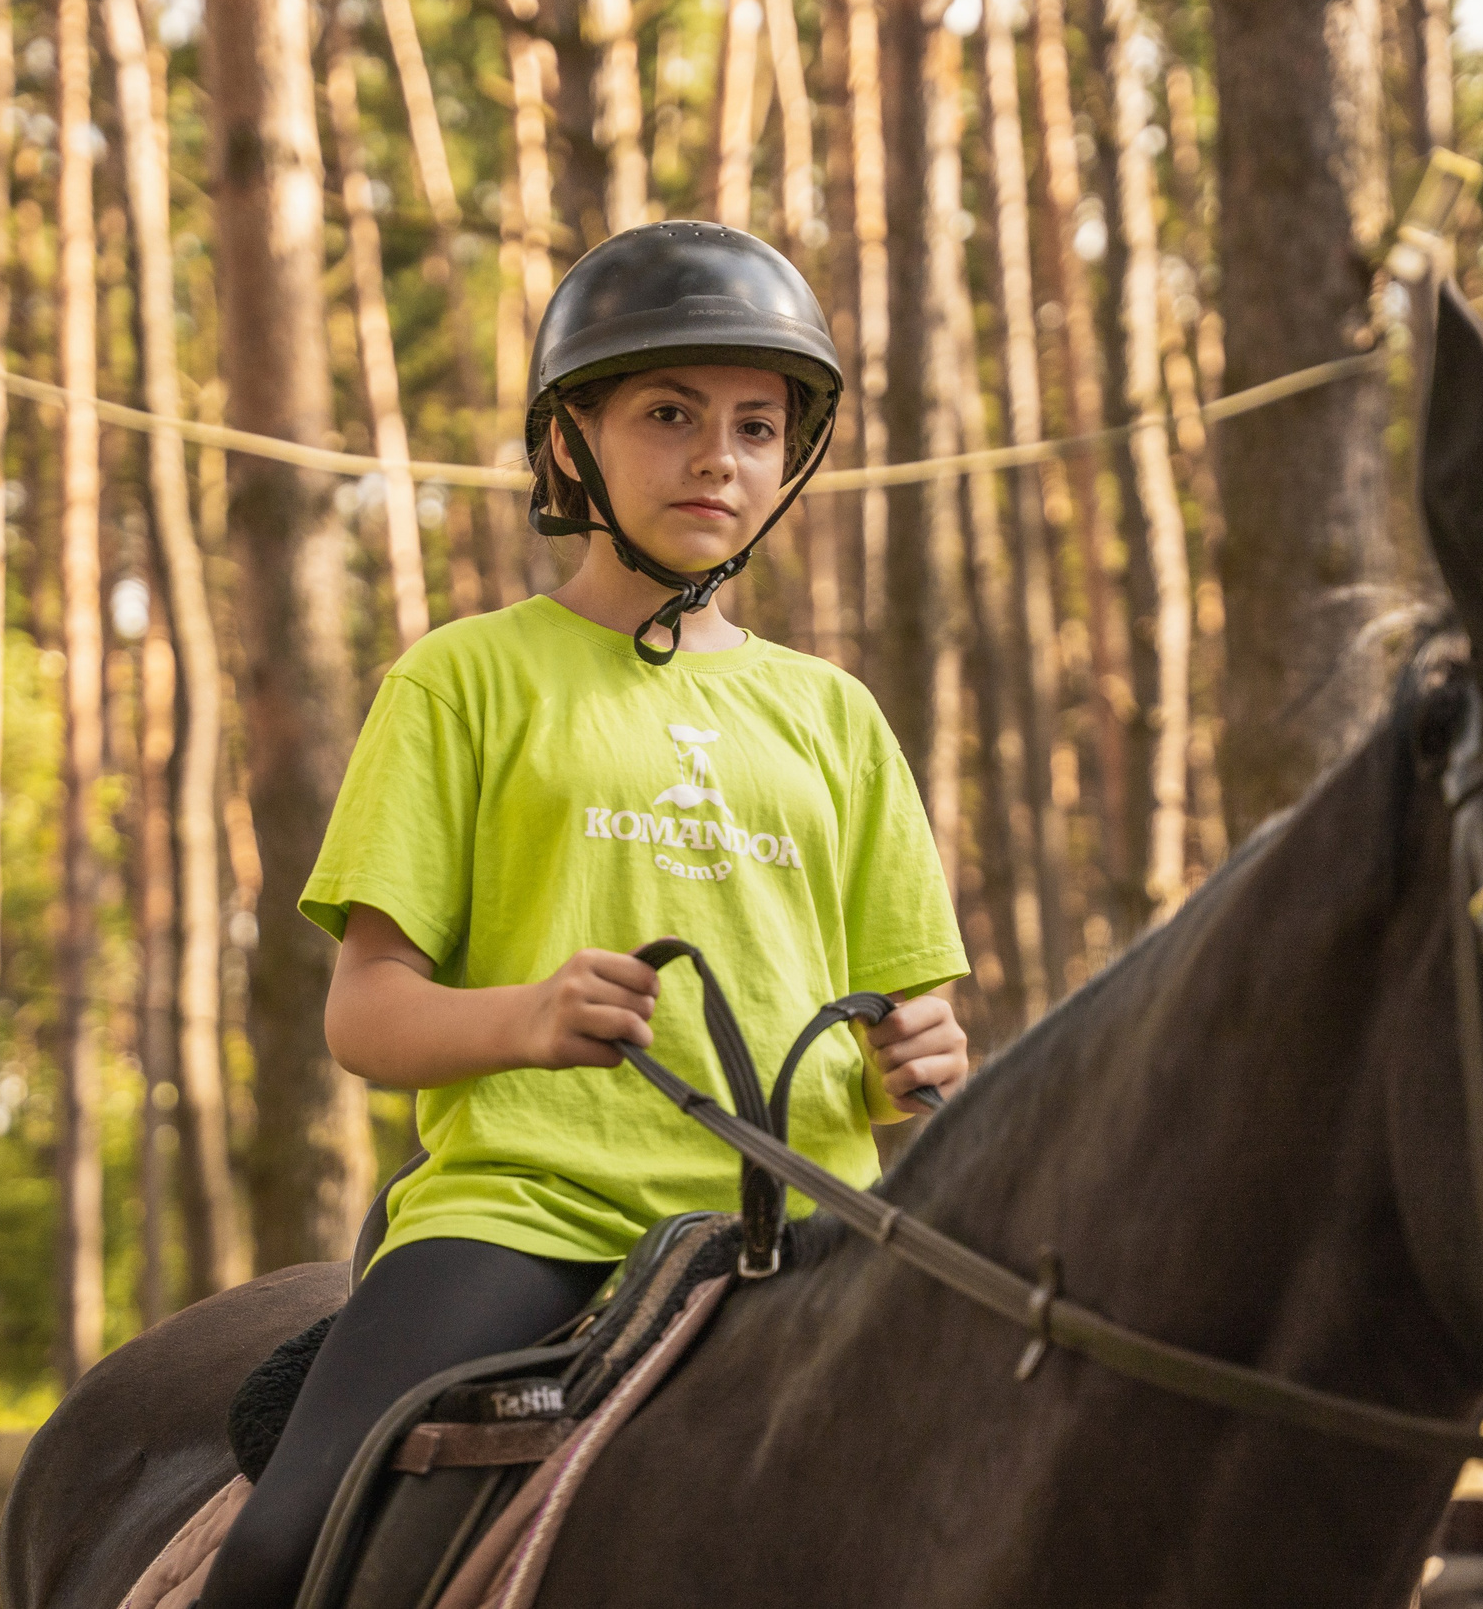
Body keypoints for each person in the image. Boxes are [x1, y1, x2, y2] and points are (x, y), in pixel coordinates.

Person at [194, 221, 971, 1609]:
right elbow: (364, 1013)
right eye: (668, 414)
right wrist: (531, 1014)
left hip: (818, 1234)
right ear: (573, 444)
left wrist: (925, 1063)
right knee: (277, 1549)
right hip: (528, 1213)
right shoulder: (462, 682)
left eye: (753, 423)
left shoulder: (837, 718)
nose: (716, 457)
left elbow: (915, 1025)